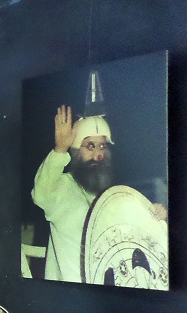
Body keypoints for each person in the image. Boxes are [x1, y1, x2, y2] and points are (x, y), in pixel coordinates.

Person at [31, 105, 165, 282]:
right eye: (90, 146)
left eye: (102, 146)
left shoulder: (110, 195)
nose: (98, 155)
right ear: (76, 151)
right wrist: (60, 149)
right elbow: (40, 193)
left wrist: (153, 214)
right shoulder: (61, 187)